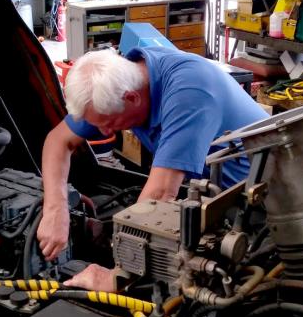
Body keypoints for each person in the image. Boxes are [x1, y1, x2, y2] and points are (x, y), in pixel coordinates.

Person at [37, 46, 269, 291]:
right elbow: (58, 141)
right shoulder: (118, 81)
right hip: (210, 194)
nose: (105, 133)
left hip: (259, 208)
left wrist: (113, 277)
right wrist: (55, 208)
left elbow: (159, 196)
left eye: (109, 124)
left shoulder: (189, 92)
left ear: (132, 98)